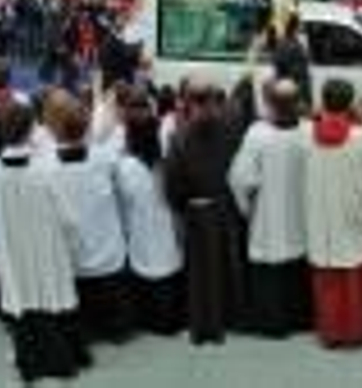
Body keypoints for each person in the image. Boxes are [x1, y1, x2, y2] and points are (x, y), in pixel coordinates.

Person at [0, 103, 91, 383]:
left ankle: (31, 360)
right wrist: (76, 247)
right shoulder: (46, 171)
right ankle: (66, 358)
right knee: (53, 300)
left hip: (12, 252)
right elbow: (69, 219)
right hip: (46, 251)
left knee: (25, 303)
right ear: (30, 131)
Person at [42, 88, 133, 343]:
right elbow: (124, 196)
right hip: (108, 256)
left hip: (74, 260)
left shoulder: (44, 167)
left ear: (52, 127)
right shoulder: (107, 158)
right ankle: (116, 329)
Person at [229, 79, 311, 338]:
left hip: (268, 217)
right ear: (298, 103)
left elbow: (242, 178)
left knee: (270, 268)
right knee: (297, 263)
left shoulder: (257, 134)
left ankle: (273, 324)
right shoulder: (309, 131)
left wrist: (245, 208)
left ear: (271, 104)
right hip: (302, 215)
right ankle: (299, 319)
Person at [164, 83, 243, 345]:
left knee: (198, 273)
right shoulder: (230, 130)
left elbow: (172, 182)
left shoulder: (180, 136)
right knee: (222, 268)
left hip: (195, 209)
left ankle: (201, 327)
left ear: (190, 103)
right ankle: (222, 322)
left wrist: (181, 204)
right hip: (222, 206)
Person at [303, 80, 362, 349]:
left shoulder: (306, 136)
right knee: (353, 278)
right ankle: (355, 333)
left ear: (323, 102)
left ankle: (331, 333)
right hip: (352, 213)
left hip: (323, 217)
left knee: (328, 281)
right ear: (350, 103)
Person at [113, 85, 186, 336]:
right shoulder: (165, 163)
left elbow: (122, 207)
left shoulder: (125, 168)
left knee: (150, 265)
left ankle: (151, 319)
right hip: (167, 238)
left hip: (141, 236)